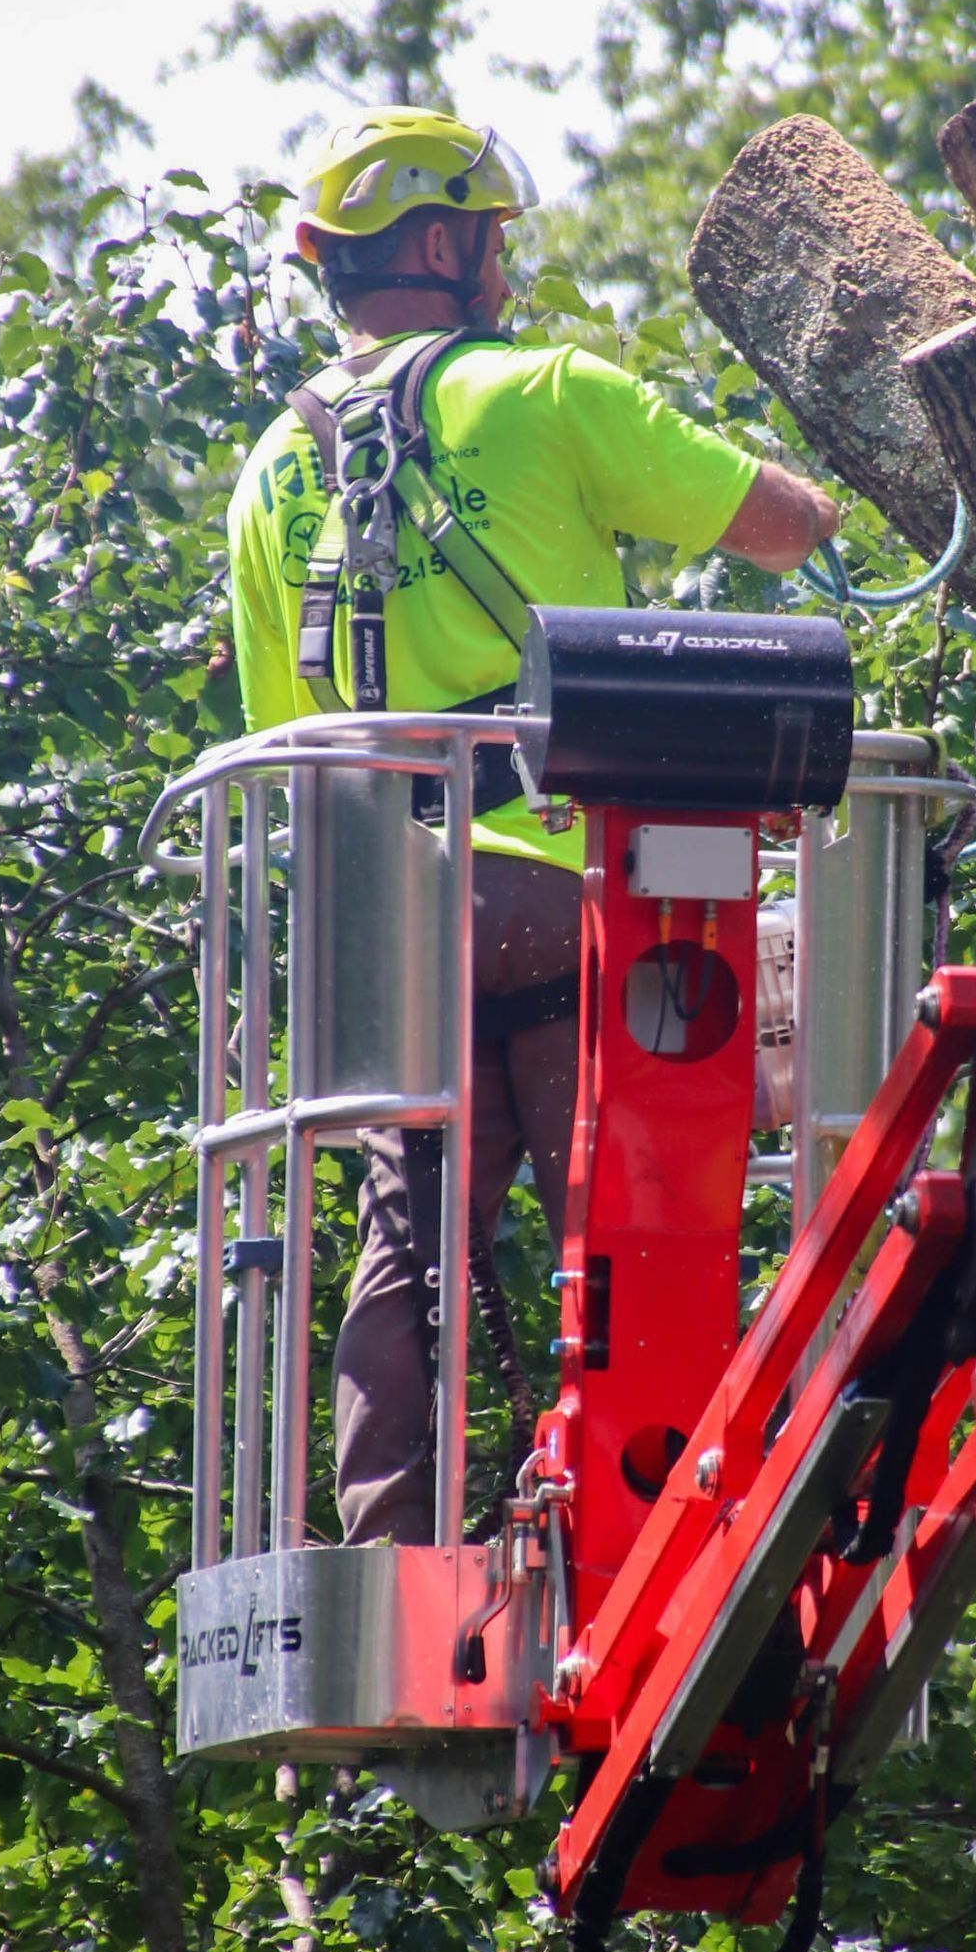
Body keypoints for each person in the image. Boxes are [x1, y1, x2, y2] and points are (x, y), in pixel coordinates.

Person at [226, 107, 837, 1542]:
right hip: (569, 892)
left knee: (413, 1240)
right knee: (615, 1214)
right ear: (443, 244)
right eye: (490, 237)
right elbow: (781, 526)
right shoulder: (547, 392)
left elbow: (283, 739)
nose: (500, 263)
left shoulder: (270, 476)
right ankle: (651, 1530)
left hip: (390, 919)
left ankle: (387, 1546)